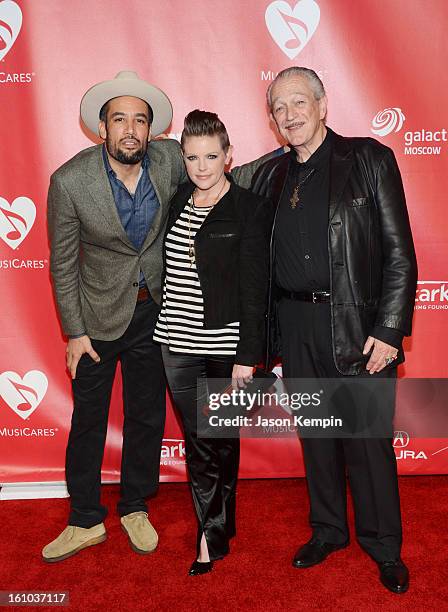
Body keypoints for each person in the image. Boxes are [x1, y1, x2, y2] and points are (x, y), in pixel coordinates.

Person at [233, 67, 417, 594]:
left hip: (355, 325)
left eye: (298, 102)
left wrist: (389, 328)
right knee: (317, 437)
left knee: (366, 441)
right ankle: (329, 530)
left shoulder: (367, 159)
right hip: (294, 324)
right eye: (279, 108)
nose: (289, 115)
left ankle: (383, 545)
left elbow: (400, 253)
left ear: (323, 104)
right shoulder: (270, 175)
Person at [43, 71, 186, 562]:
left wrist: (288, 155)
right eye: (119, 119)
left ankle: (134, 505)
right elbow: (61, 263)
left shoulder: (169, 160)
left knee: (146, 414)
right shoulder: (70, 181)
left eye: (140, 120)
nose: (130, 129)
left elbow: (221, 172)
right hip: (96, 319)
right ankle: (84, 518)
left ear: (151, 130)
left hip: (157, 311)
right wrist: (74, 332)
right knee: (89, 420)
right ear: (101, 127)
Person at [153, 110, 269, 575]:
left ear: (228, 156)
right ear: (183, 158)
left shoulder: (250, 208)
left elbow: (253, 288)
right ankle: (214, 528)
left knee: (222, 437)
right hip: (175, 341)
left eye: (211, 156)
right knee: (200, 439)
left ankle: (212, 530)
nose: (202, 167)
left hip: (225, 345)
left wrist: (247, 356)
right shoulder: (179, 198)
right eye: (192, 156)